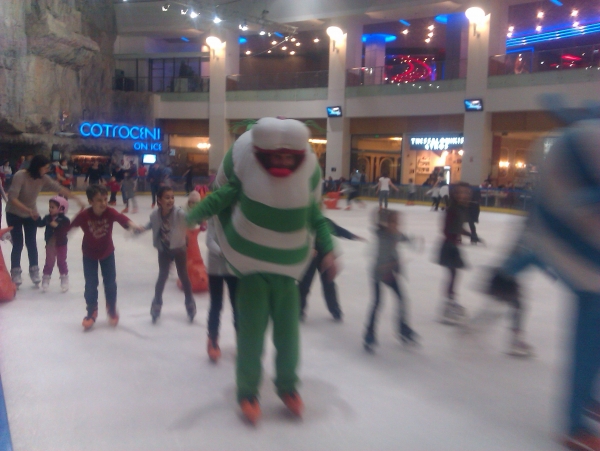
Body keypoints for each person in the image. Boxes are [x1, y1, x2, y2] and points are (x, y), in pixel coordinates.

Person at [187, 117, 336, 424]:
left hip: (286, 279)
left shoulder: (301, 187)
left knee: (288, 338)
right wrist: (190, 217)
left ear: (297, 158)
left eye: (287, 157)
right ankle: (247, 392)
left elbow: (317, 219)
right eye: (276, 156)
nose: (281, 162)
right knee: (251, 338)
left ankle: (288, 386)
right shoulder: (248, 177)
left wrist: (329, 250)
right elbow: (219, 199)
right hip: (253, 276)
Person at [69, 184, 141, 330]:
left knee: (110, 283)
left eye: (105, 199)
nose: (103, 203)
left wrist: (133, 226)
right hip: (89, 254)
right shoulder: (84, 215)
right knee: (90, 284)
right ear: (90, 201)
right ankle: (91, 311)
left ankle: (111, 308)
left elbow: (122, 219)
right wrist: (57, 237)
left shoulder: (110, 212)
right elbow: (69, 227)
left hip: (107, 253)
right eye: (99, 200)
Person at [5, 155, 83, 287]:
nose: (47, 170)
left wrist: (76, 198)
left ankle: (34, 270)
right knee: (18, 243)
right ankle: (15, 271)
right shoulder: (20, 176)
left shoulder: (43, 178)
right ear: (38, 167)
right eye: (45, 168)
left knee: (31, 242)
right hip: (14, 213)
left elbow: (59, 188)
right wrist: (28, 210)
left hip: (31, 213)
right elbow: (12, 197)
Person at [364, 209, 419, 352]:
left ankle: (403, 329)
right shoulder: (382, 235)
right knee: (377, 303)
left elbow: (403, 238)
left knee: (401, 299)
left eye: (398, 222)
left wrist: (413, 240)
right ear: (386, 223)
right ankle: (369, 334)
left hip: (390, 273)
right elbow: (376, 224)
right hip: (378, 273)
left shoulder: (396, 234)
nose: (397, 225)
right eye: (393, 222)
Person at [140, 186, 196, 323]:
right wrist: (142, 229)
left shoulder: (179, 213)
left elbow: (189, 219)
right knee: (162, 275)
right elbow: (151, 223)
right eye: (167, 197)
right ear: (159, 200)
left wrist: (197, 216)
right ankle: (157, 302)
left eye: (172, 197)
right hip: (164, 249)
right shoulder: (155, 215)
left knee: (183, 275)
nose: (170, 200)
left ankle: (189, 301)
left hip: (179, 248)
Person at [299, 217, 364, 322]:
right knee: (305, 284)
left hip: (325, 255)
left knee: (328, 283)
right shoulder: (305, 221)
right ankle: (299, 310)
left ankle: (335, 310)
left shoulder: (324, 221)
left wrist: (351, 235)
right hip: (310, 256)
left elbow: (337, 230)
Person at [202, 189, 238, 362]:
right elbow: (209, 240)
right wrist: (224, 253)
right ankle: (213, 339)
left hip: (233, 267)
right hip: (216, 267)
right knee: (216, 304)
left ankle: (242, 340)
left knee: (237, 305)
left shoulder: (238, 217)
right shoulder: (214, 216)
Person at [437, 182, 479, 325]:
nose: (463, 195)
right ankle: (449, 305)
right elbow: (446, 229)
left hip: (452, 245)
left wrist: (471, 235)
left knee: (454, 275)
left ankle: (450, 302)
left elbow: (458, 228)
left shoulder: (461, 209)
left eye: (466, 193)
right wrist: (456, 237)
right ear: (454, 194)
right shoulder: (452, 209)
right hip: (449, 246)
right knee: (453, 275)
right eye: (460, 192)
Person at [36, 196, 70, 292]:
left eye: (52, 207)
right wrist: (36, 218)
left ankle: (64, 279)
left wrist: (57, 225)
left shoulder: (65, 220)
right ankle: (46, 279)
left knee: (61, 262)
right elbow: (40, 224)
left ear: (61, 208)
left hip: (61, 244)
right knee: (49, 262)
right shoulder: (47, 217)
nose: (50, 209)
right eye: (49, 207)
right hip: (50, 244)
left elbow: (65, 228)